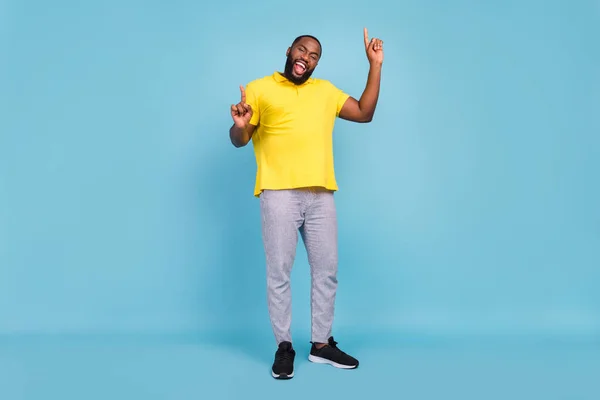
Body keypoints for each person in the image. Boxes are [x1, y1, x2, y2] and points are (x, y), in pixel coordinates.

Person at [229, 28, 383, 379]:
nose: (307, 57)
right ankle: (284, 346)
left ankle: (321, 344)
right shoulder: (260, 88)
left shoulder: (325, 91)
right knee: (279, 273)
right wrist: (240, 126)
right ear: (289, 51)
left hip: (320, 195)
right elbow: (240, 139)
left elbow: (364, 112)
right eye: (302, 50)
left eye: (314, 55)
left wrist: (374, 65)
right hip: (278, 193)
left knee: (327, 271)